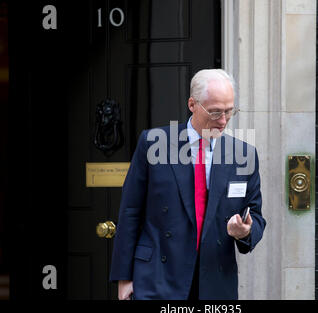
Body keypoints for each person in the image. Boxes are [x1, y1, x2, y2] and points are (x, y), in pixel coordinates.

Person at [110, 69, 266, 300]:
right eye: (215, 112)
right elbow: (131, 211)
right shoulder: (153, 143)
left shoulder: (244, 154)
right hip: (157, 278)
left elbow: (256, 216)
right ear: (192, 104)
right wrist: (124, 278)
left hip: (214, 281)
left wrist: (245, 231)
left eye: (229, 112)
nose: (223, 121)